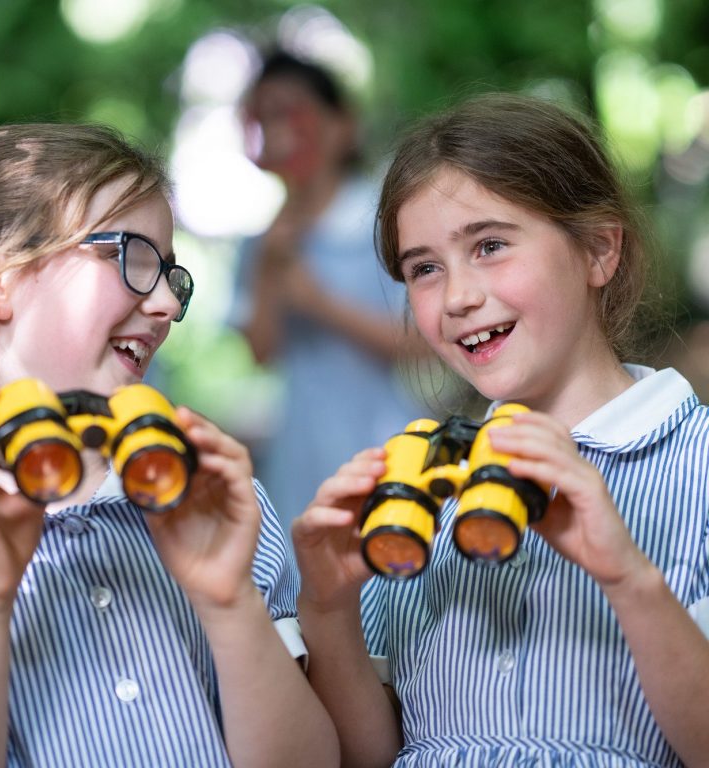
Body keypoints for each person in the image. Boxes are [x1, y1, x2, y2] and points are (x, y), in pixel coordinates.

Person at [291, 93, 709, 767]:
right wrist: (329, 610)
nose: (457, 296)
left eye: (489, 245)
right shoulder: (419, 484)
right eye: (424, 268)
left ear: (600, 250)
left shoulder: (697, 465)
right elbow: (371, 754)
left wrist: (629, 578)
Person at [0, 122, 339, 768]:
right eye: (131, 256)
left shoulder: (213, 494)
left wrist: (228, 601)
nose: (162, 305)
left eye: (169, 275)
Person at [230, 50, 427, 539]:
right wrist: (271, 270)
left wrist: (320, 304)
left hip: (389, 450)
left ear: (342, 125)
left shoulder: (387, 223)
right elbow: (261, 353)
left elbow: (421, 342)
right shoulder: (261, 242)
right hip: (298, 458)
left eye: (291, 111)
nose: (279, 129)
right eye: (265, 115)